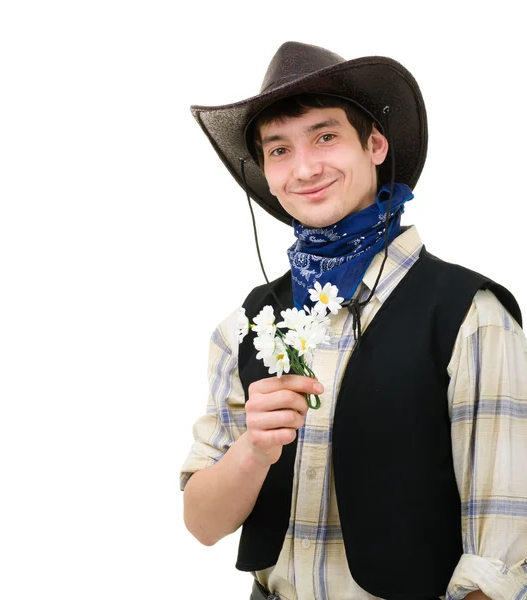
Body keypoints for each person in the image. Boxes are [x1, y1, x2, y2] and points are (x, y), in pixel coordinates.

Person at [179, 41, 527, 600]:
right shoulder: (244, 326)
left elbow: (499, 561)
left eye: (325, 136)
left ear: (375, 144)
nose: (305, 168)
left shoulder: (471, 317)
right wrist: (254, 449)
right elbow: (202, 523)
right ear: (265, 174)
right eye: (279, 150)